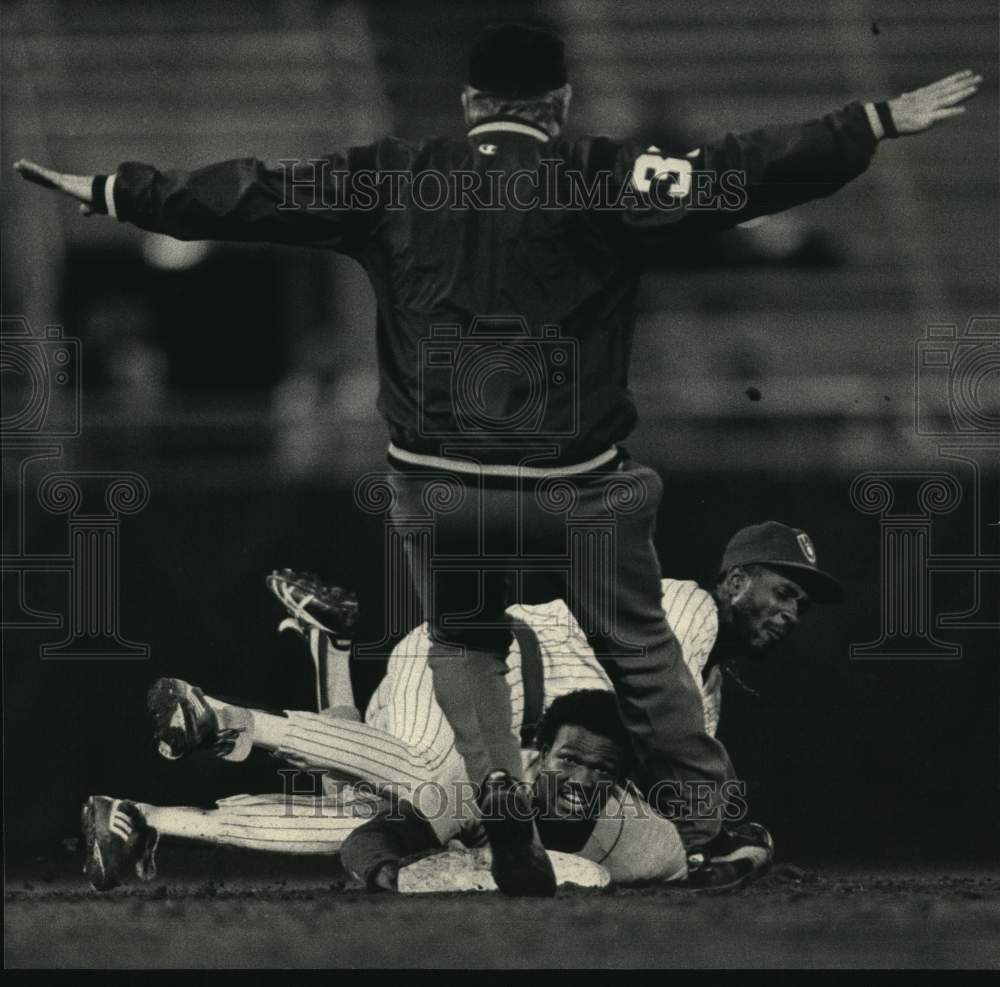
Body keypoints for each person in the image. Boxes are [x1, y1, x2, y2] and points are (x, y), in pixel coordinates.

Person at [17, 22, 980, 895]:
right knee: (644, 651)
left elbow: (256, 194)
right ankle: (715, 829)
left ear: (470, 103)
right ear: (557, 106)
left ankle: (494, 792)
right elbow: (739, 170)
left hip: (439, 480)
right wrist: (870, 120)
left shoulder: (397, 175)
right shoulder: (600, 173)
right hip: (579, 481)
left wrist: (119, 190)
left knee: (463, 644)